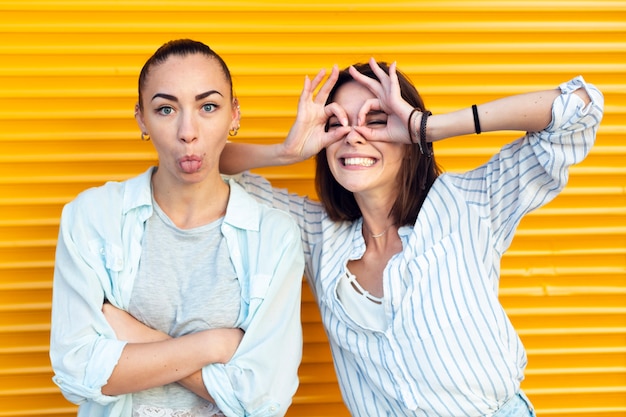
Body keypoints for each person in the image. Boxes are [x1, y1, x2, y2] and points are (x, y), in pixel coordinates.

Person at [219, 59, 604, 416]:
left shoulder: (468, 202)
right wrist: (287, 152)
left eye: (376, 119)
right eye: (336, 124)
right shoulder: (318, 235)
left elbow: (580, 107)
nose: (353, 136)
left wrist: (427, 128)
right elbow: (210, 170)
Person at [49, 39, 304, 417]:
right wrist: (215, 345)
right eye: (166, 109)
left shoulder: (275, 236)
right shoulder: (91, 218)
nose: (188, 131)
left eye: (208, 106)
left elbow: (263, 398)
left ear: (234, 115)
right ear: (141, 119)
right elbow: (77, 371)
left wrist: (136, 336)